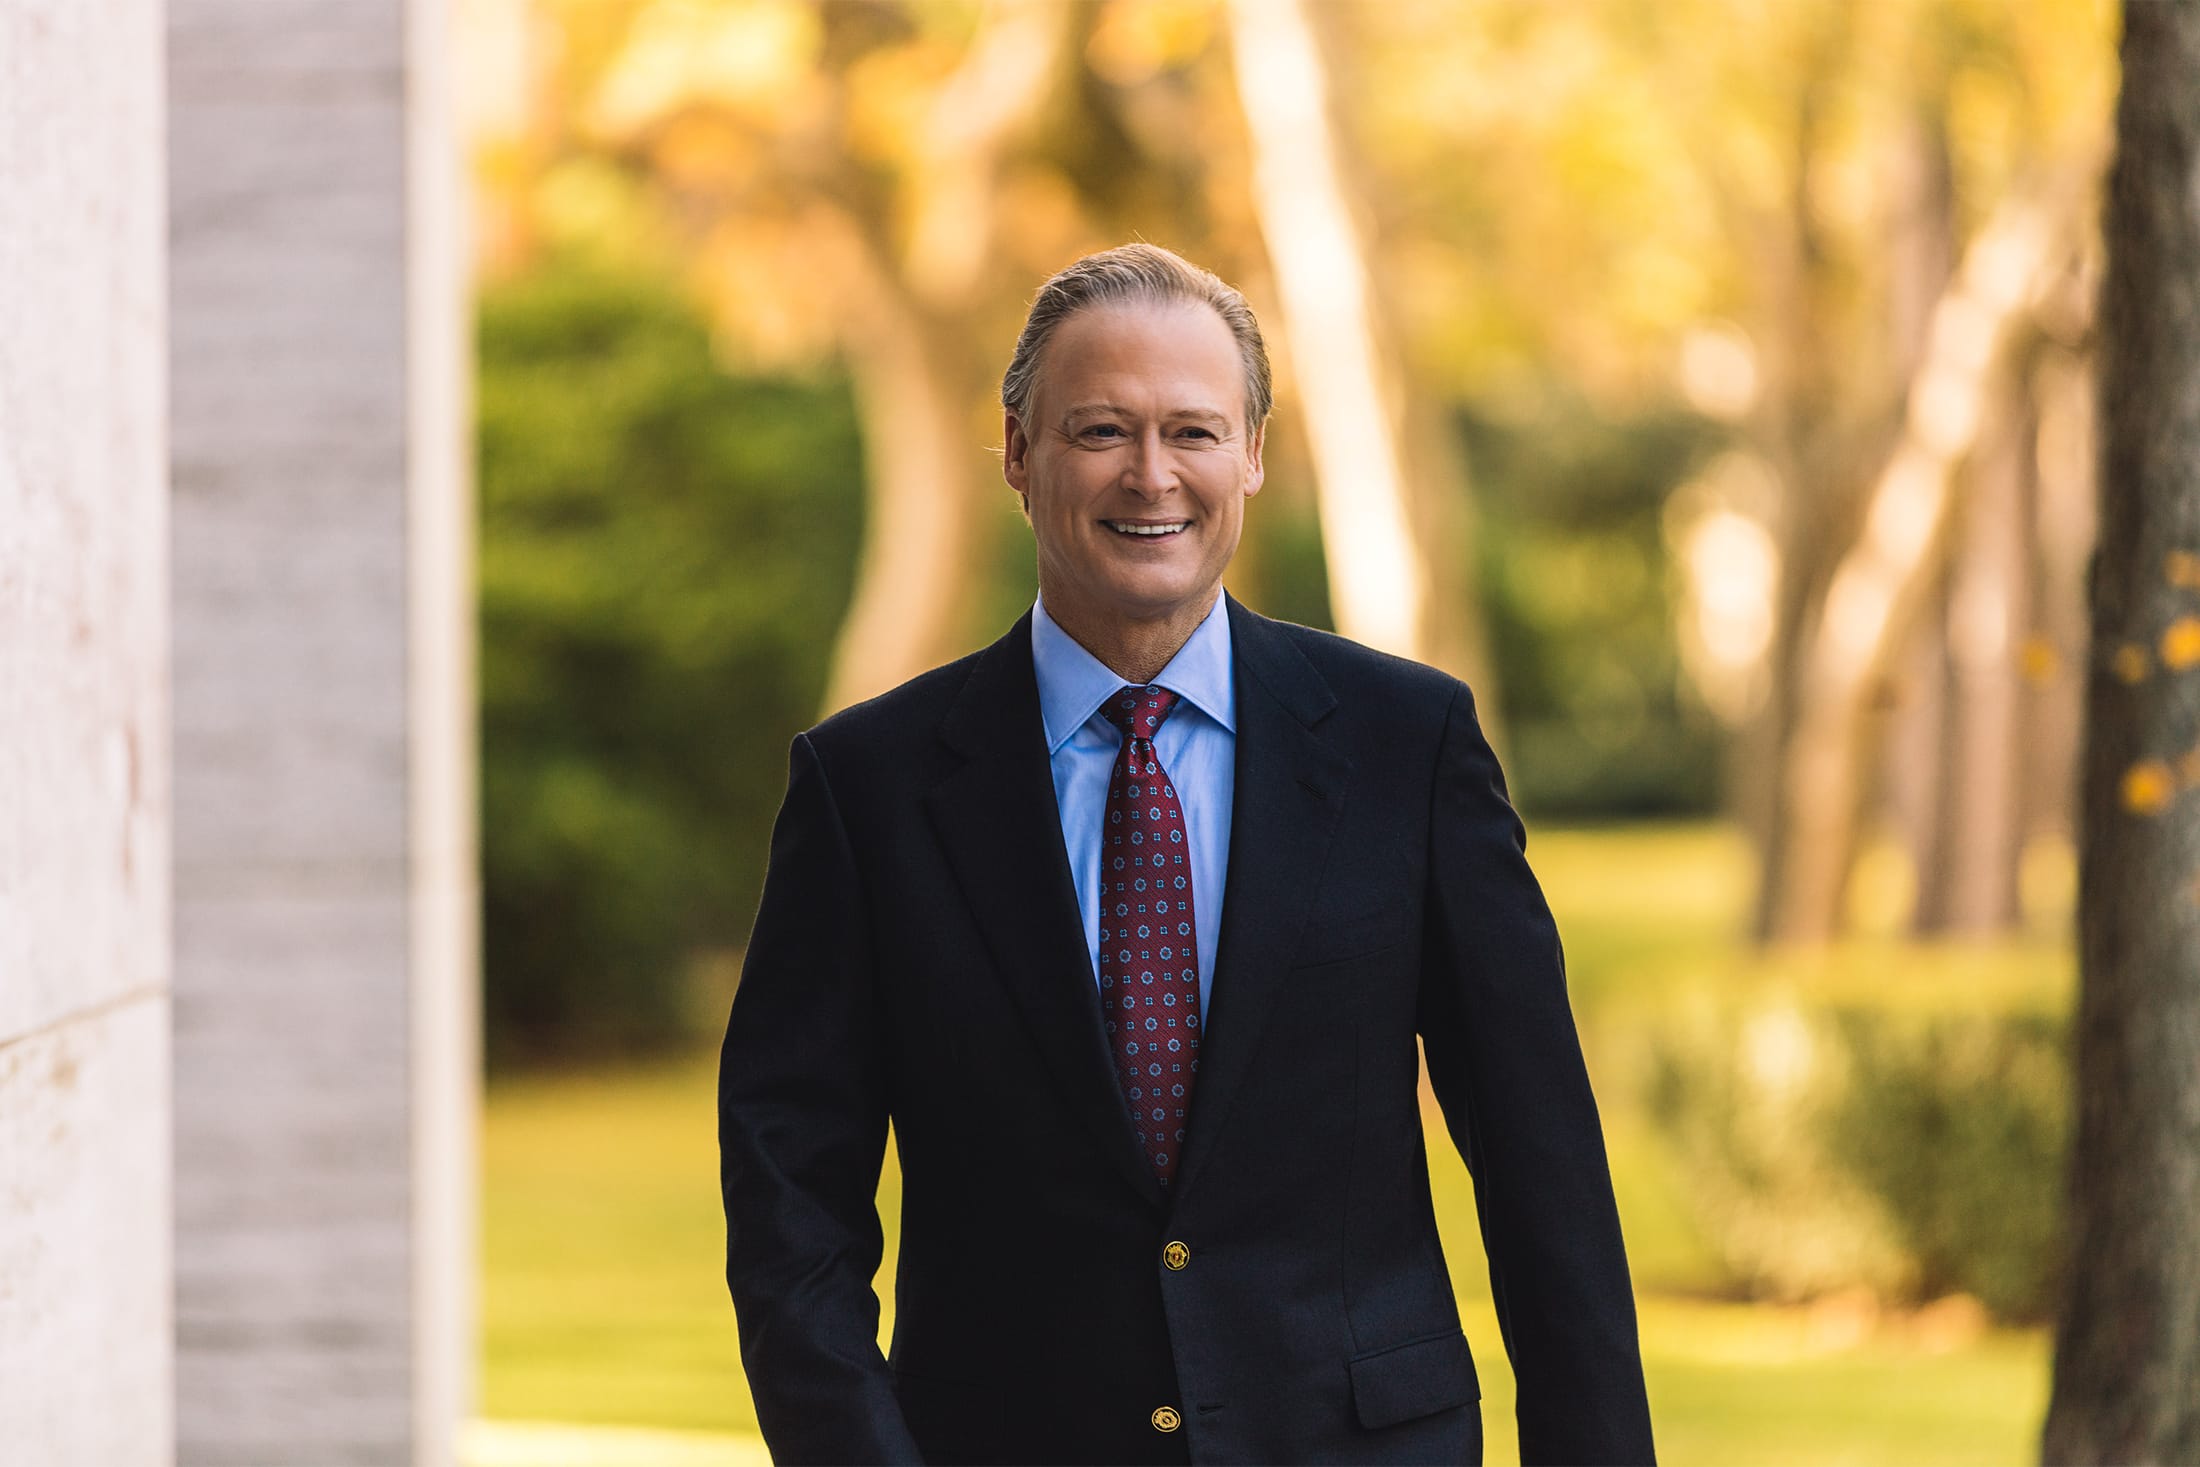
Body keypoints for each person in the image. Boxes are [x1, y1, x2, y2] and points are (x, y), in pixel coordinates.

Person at [719, 243, 1655, 1465]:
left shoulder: (1407, 747)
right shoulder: (867, 789)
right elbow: (791, 1208)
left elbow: (1544, 1171)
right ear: (1017, 453)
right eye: (1100, 430)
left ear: (1251, 453)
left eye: (1193, 432)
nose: (1151, 475)